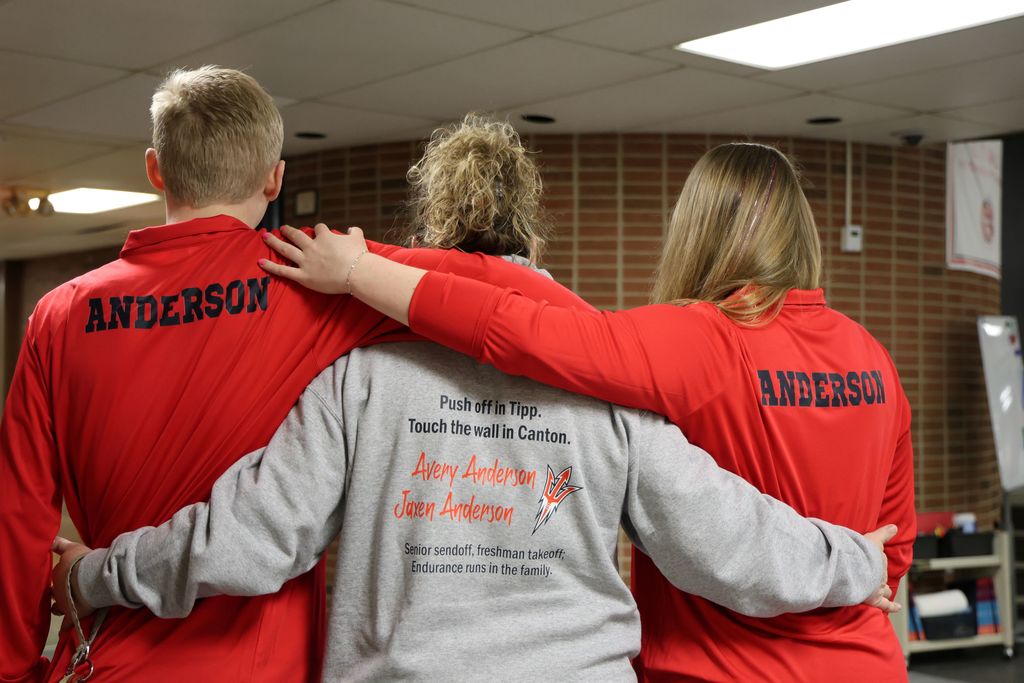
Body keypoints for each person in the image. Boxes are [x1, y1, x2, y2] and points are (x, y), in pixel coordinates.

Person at [52, 118, 894, 681]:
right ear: (529, 226)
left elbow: (247, 538)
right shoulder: (603, 386)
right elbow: (730, 539)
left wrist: (95, 575)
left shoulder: (362, 377)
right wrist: (862, 561)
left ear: (432, 229)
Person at [0, 71, 597, 683]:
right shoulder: (305, 276)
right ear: (274, 176)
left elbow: (16, 520)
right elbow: (514, 288)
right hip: (256, 669)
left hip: (101, 658)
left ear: (156, 169)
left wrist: (16, 671)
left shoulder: (59, 313)